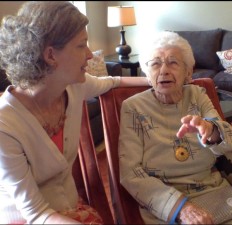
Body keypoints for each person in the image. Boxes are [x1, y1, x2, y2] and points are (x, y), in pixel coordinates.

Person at [0, 1, 149, 224]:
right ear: (51, 55)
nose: (90, 55)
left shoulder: (73, 86)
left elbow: (112, 81)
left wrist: (156, 80)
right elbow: (37, 213)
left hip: (69, 210)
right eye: (82, 45)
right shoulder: (6, 126)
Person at [118, 31, 232, 224]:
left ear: (188, 72)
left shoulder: (197, 95)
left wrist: (211, 130)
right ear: (148, 74)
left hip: (212, 189)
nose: (164, 70)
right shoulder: (133, 107)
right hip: (165, 201)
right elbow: (130, 173)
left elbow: (231, 140)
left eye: (173, 62)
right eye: (155, 63)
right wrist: (181, 208)